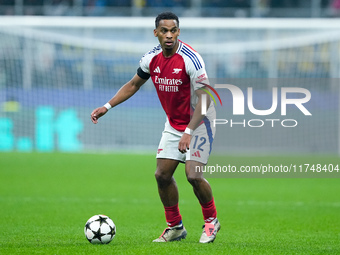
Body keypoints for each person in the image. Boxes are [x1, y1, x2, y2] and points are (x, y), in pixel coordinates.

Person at [91, 11, 220, 243]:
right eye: (164, 31)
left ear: (178, 32)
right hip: (174, 124)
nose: (169, 35)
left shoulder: (191, 58)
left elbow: (205, 99)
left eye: (173, 31)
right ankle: (175, 227)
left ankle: (211, 221)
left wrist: (189, 132)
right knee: (162, 175)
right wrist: (107, 106)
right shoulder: (151, 59)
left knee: (192, 175)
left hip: (200, 123)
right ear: (156, 33)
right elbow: (133, 84)